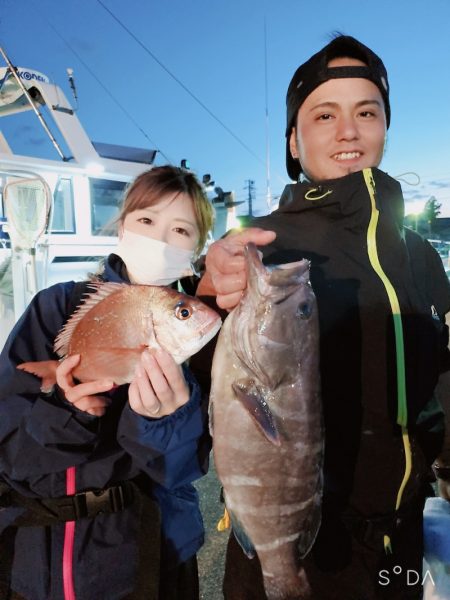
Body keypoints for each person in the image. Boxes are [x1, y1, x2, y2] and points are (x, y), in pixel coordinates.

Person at [195, 35, 450, 599]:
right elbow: (202, 384)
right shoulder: (264, 244)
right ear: (293, 138)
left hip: (399, 547)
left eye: (367, 112)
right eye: (324, 114)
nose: (348, 130)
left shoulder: (420, 254)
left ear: (385, 126)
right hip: (293, 542)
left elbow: (442, 379)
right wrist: (211, 293)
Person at [0, 165, 215, 600]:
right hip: (38, 564)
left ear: (197, 248)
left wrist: (165, 419)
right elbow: (10, 455)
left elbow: (186, 469)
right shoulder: (56, 305)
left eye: (180, 230)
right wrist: (64, 411)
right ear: (122, 227)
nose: (159, 239)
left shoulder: (201, 338)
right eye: (146, 221)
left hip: (152, 559)